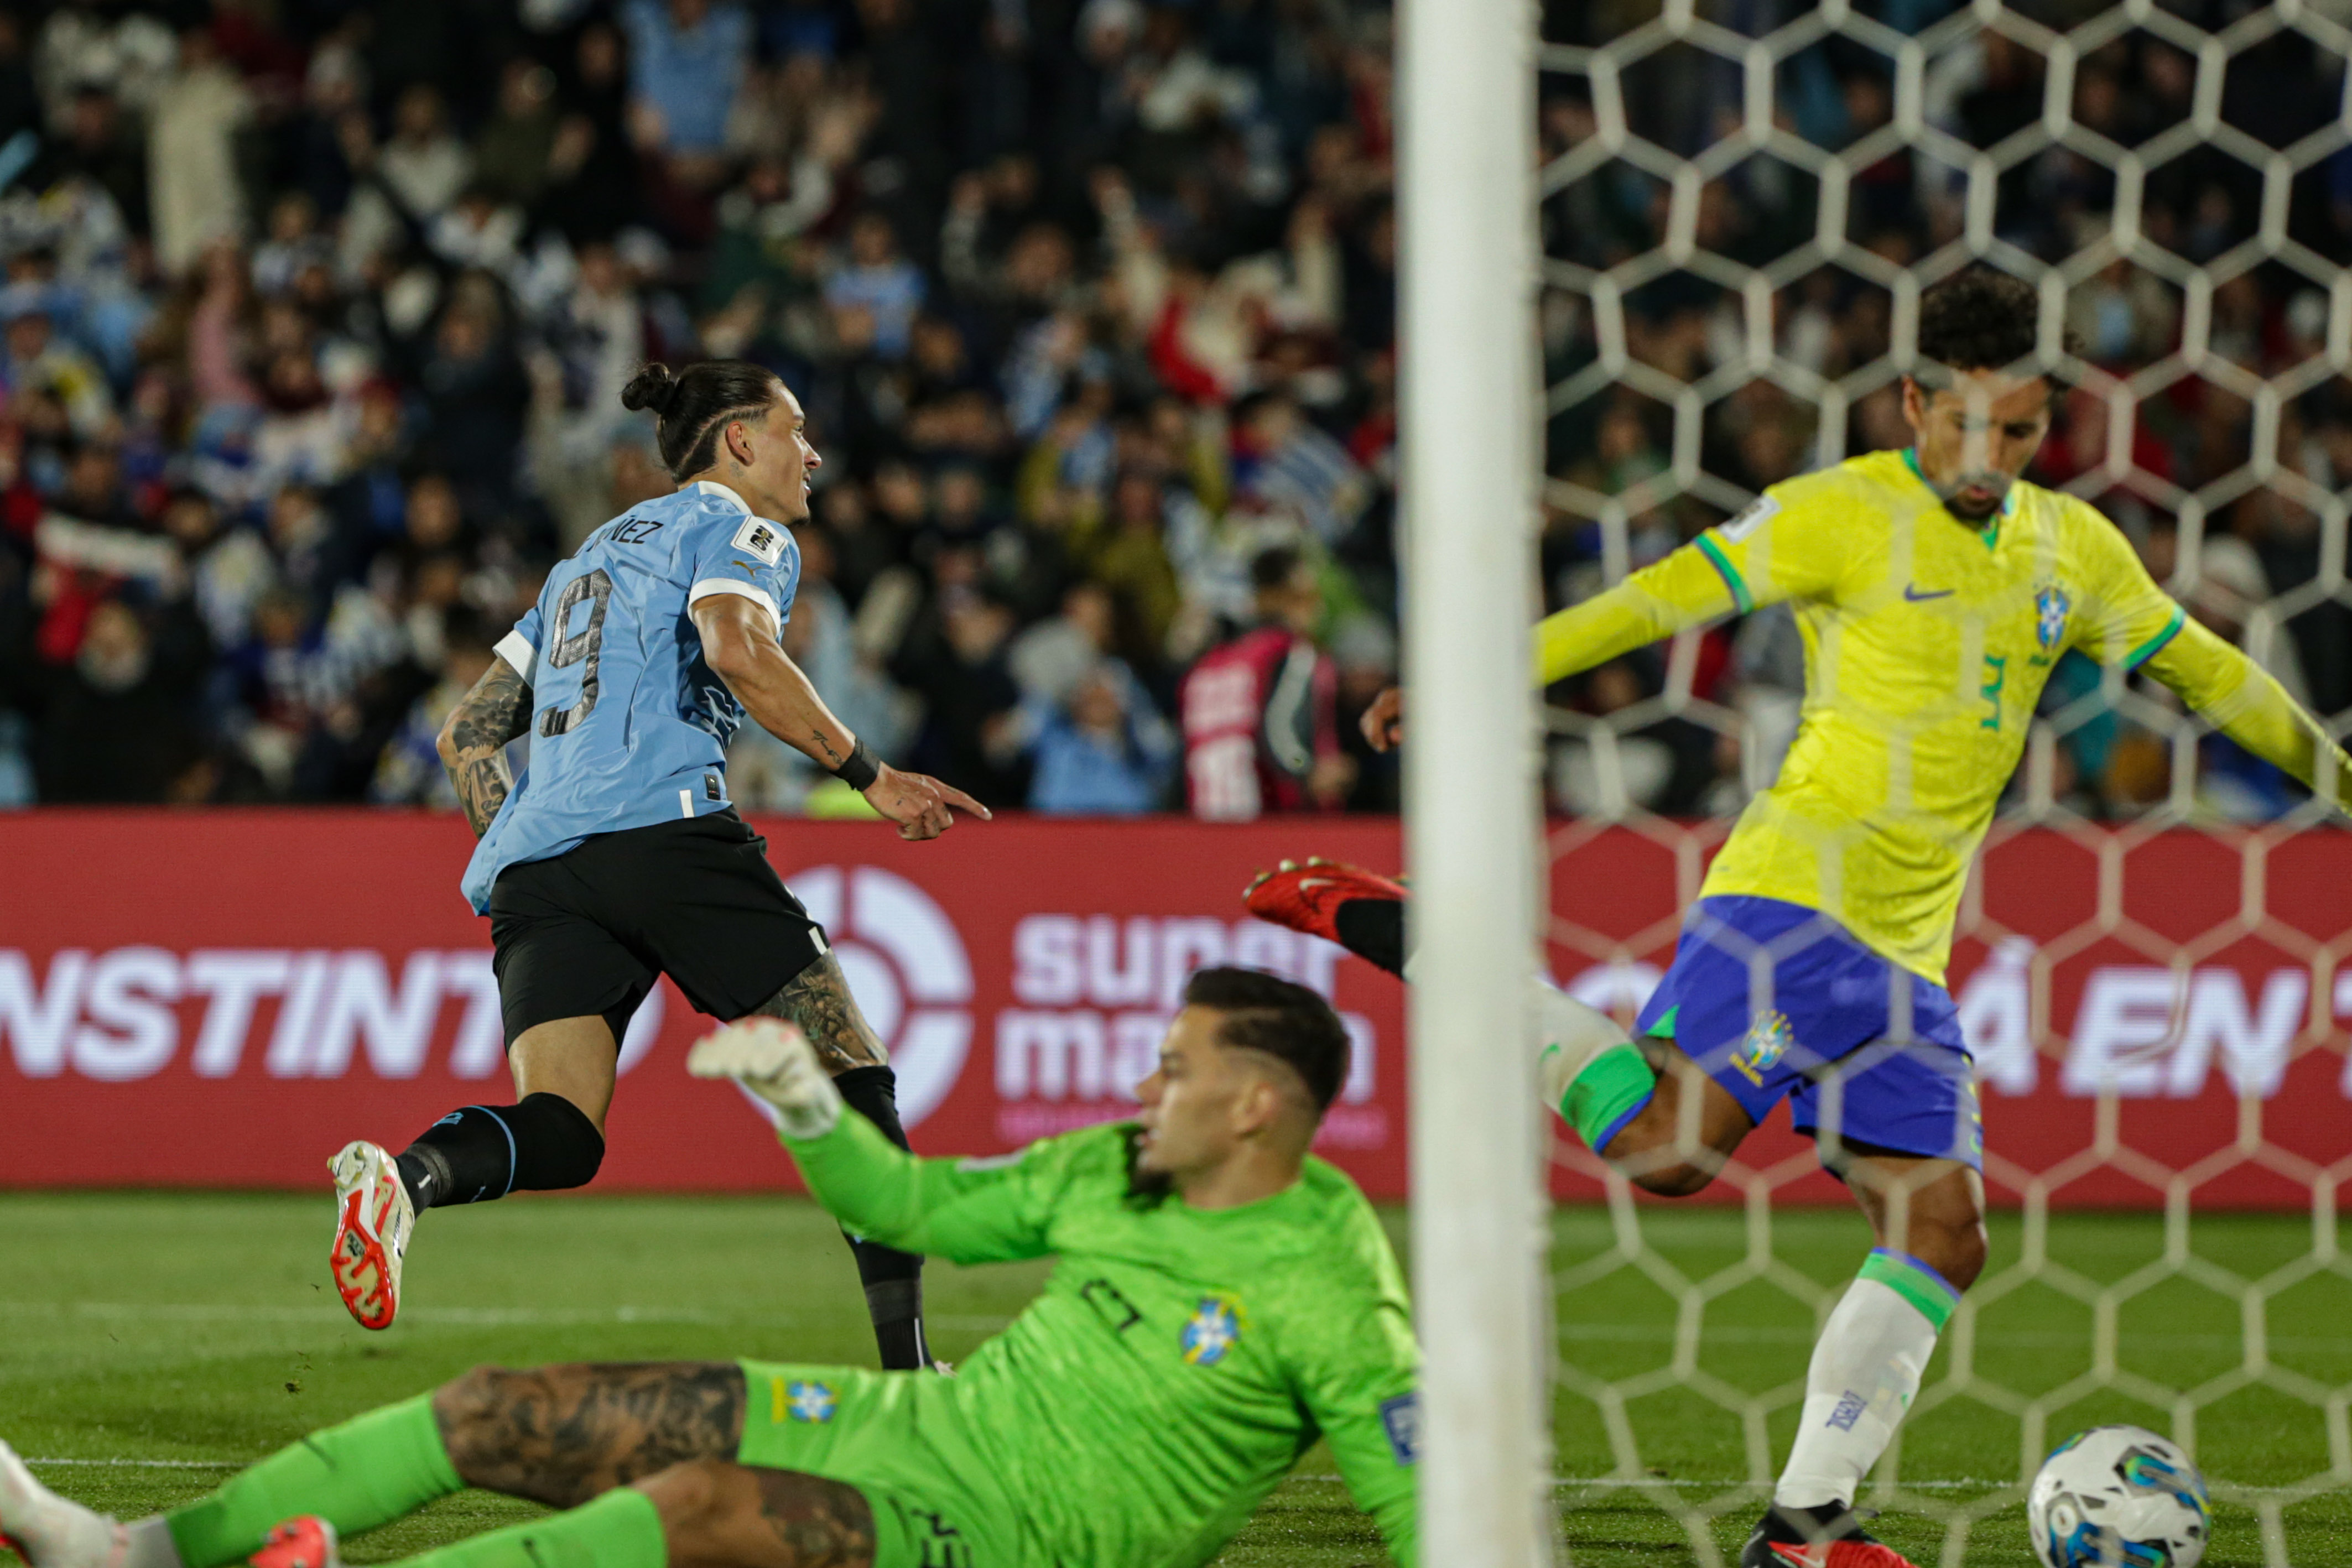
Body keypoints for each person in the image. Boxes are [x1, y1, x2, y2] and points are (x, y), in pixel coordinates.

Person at [1250, 266, 2352, 1568]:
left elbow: (2209, 672)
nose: (1990, 457)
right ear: (1910, 404)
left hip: (1907, 952)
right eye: (1966, 423)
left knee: (1941, 1233)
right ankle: (1419, 938)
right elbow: (1656, 597)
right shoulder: (1842, 513)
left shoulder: (2075, 547)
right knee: (1664, 1152)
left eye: (2020, 430)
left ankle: (1804, 1530)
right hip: (1792, 900)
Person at [1, 969, 1418, 1568]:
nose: (1145, 1084)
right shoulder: (1114, 1167)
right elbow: (911, 1200)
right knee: (504, 1404)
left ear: (1254, 1108)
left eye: (1175, 1071)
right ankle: (131, 1554)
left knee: (696, 1507)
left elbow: (1437, 1522)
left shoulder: (1331, 1286)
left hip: (1015, 1543)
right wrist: (809, 1107)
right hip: (919, 1432)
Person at [327, 360, 989, 1377]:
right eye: (794, 430)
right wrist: (871, 774)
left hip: (536, 869)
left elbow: (466, 734)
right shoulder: (741, 528)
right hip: (666, 830)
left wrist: (528, 845)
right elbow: (734, 648)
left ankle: (409, 1178)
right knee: (854, 1073)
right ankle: (909, 1368)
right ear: (736, 444)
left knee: (562, 1131)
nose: (811, 454)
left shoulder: (582, 561)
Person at [1178, 544, 1351, 821]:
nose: (1316, 607)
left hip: (1208, 825)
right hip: (1277, 824)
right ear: (1271, 597)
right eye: (1304, 596)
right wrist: (1307, 772)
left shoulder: (1205, 669)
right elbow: (1280, 732)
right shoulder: (1294, 652)